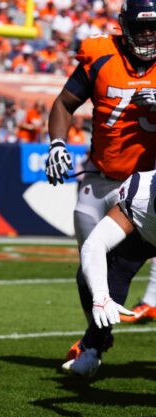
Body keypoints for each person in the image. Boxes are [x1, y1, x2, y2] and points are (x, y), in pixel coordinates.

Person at [45, 0, 156, 361]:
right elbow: (64, 103)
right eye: (141, 28)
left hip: (150, 190)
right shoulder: (101, 54)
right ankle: (98, 337)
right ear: (124, 27)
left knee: (119, 265)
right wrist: (57, 143)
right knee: (88, 271)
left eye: (154, 27)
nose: (149, 35)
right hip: (102, 178)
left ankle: (93, 343)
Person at [63, 170, 156, 376]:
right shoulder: (139, 193)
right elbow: (94, 245)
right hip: (146, 233)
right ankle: (93, 348)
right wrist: (101, 295)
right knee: (110, 277)